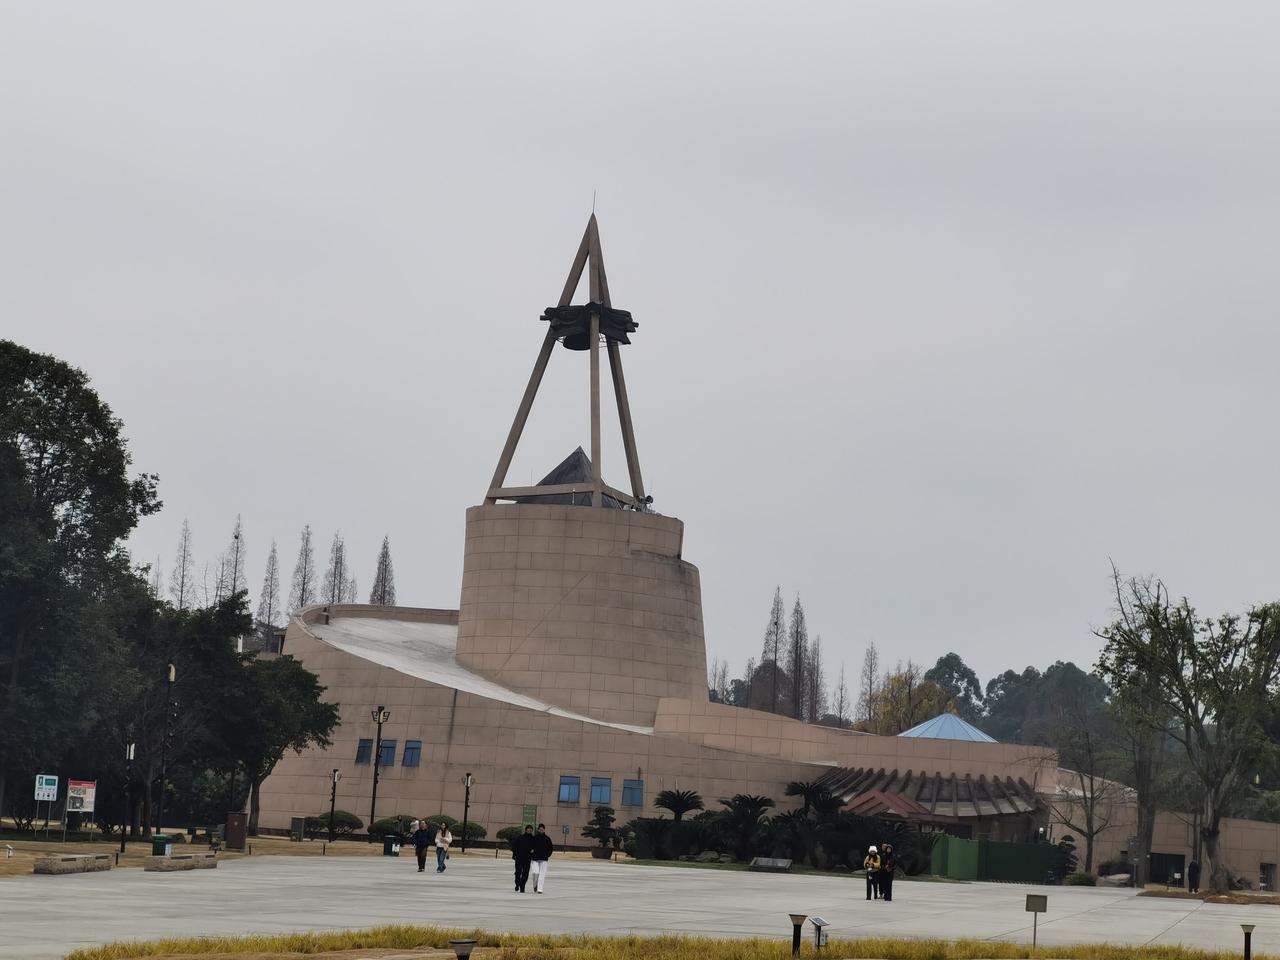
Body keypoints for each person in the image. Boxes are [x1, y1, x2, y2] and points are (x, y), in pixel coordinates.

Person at [530, 822, 554, 893]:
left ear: (544, 830)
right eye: (540, 829)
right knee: (535, 872)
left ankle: (540, 889)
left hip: (544, 859)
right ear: (538, 830)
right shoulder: (534, 838)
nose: (541, 830)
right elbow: (530, 847)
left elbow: (550, 848)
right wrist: (531, 853)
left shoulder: (547, 839)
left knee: (542, 874)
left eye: (542, 829)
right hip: (535, 858)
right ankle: (535, 884)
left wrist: (548, 855)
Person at [512, 824, 536, 893]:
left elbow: (535, 847)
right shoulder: (520, 837)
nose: (530, 830)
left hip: (527, 858)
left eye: (531, 829)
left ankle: (522, 886)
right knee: (518, 872)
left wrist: (533, 851)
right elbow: (515, 846)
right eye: (528, 829)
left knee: (525, 873)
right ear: (526, 830)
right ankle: (517, 884)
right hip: (519, 858)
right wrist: (514, 855)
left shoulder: (533, 839)